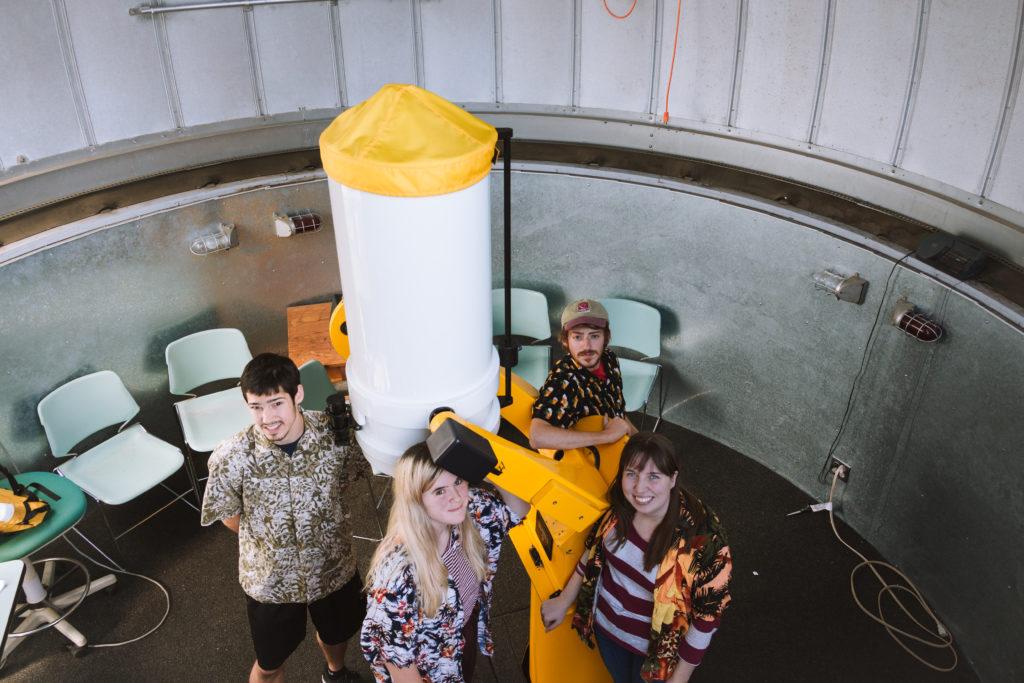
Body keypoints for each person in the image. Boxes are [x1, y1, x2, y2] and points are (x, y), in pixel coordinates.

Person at [201, 353, 368, 683]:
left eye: (276, 403)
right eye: (256, 407)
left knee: (337, 634)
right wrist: (273, 541)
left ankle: (335, 673)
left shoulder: (338, 437)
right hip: (271, 582)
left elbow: (349, 478)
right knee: (268, 664)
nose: (267, 417)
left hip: (332, 567)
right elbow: (229, 516)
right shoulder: (230, 458)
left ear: (298, 395)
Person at [540, 433, 732, 683]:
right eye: (631, 474)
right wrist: (565, 600)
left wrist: (678, 679)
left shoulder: (704, 537)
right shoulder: (621, 505)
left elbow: (707, 618)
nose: (639, 488)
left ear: (673, 478)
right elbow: (593, 550)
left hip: (656, 656)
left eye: (653, 476)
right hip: (608, 633)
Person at [360, 443, 529, 682]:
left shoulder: (468, 512)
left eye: (459, 481)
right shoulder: (396, 581)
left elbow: (519, 509)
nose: (456, 497)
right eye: (439, 491)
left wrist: (485, 464)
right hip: (429, 668)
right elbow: (402, 669)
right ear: (415, 501)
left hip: (461, 635)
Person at [529, 298, 637, 451]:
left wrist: (640, 441)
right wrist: (607, 435)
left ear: (606, 337)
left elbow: (616, 409)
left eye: (594, 336)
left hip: (619, 446)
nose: (586, 346)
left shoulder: (609, 359)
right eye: (577, 337)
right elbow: (537, 436)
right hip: (593, 461)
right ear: (566, 340)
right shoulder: (566, 379)